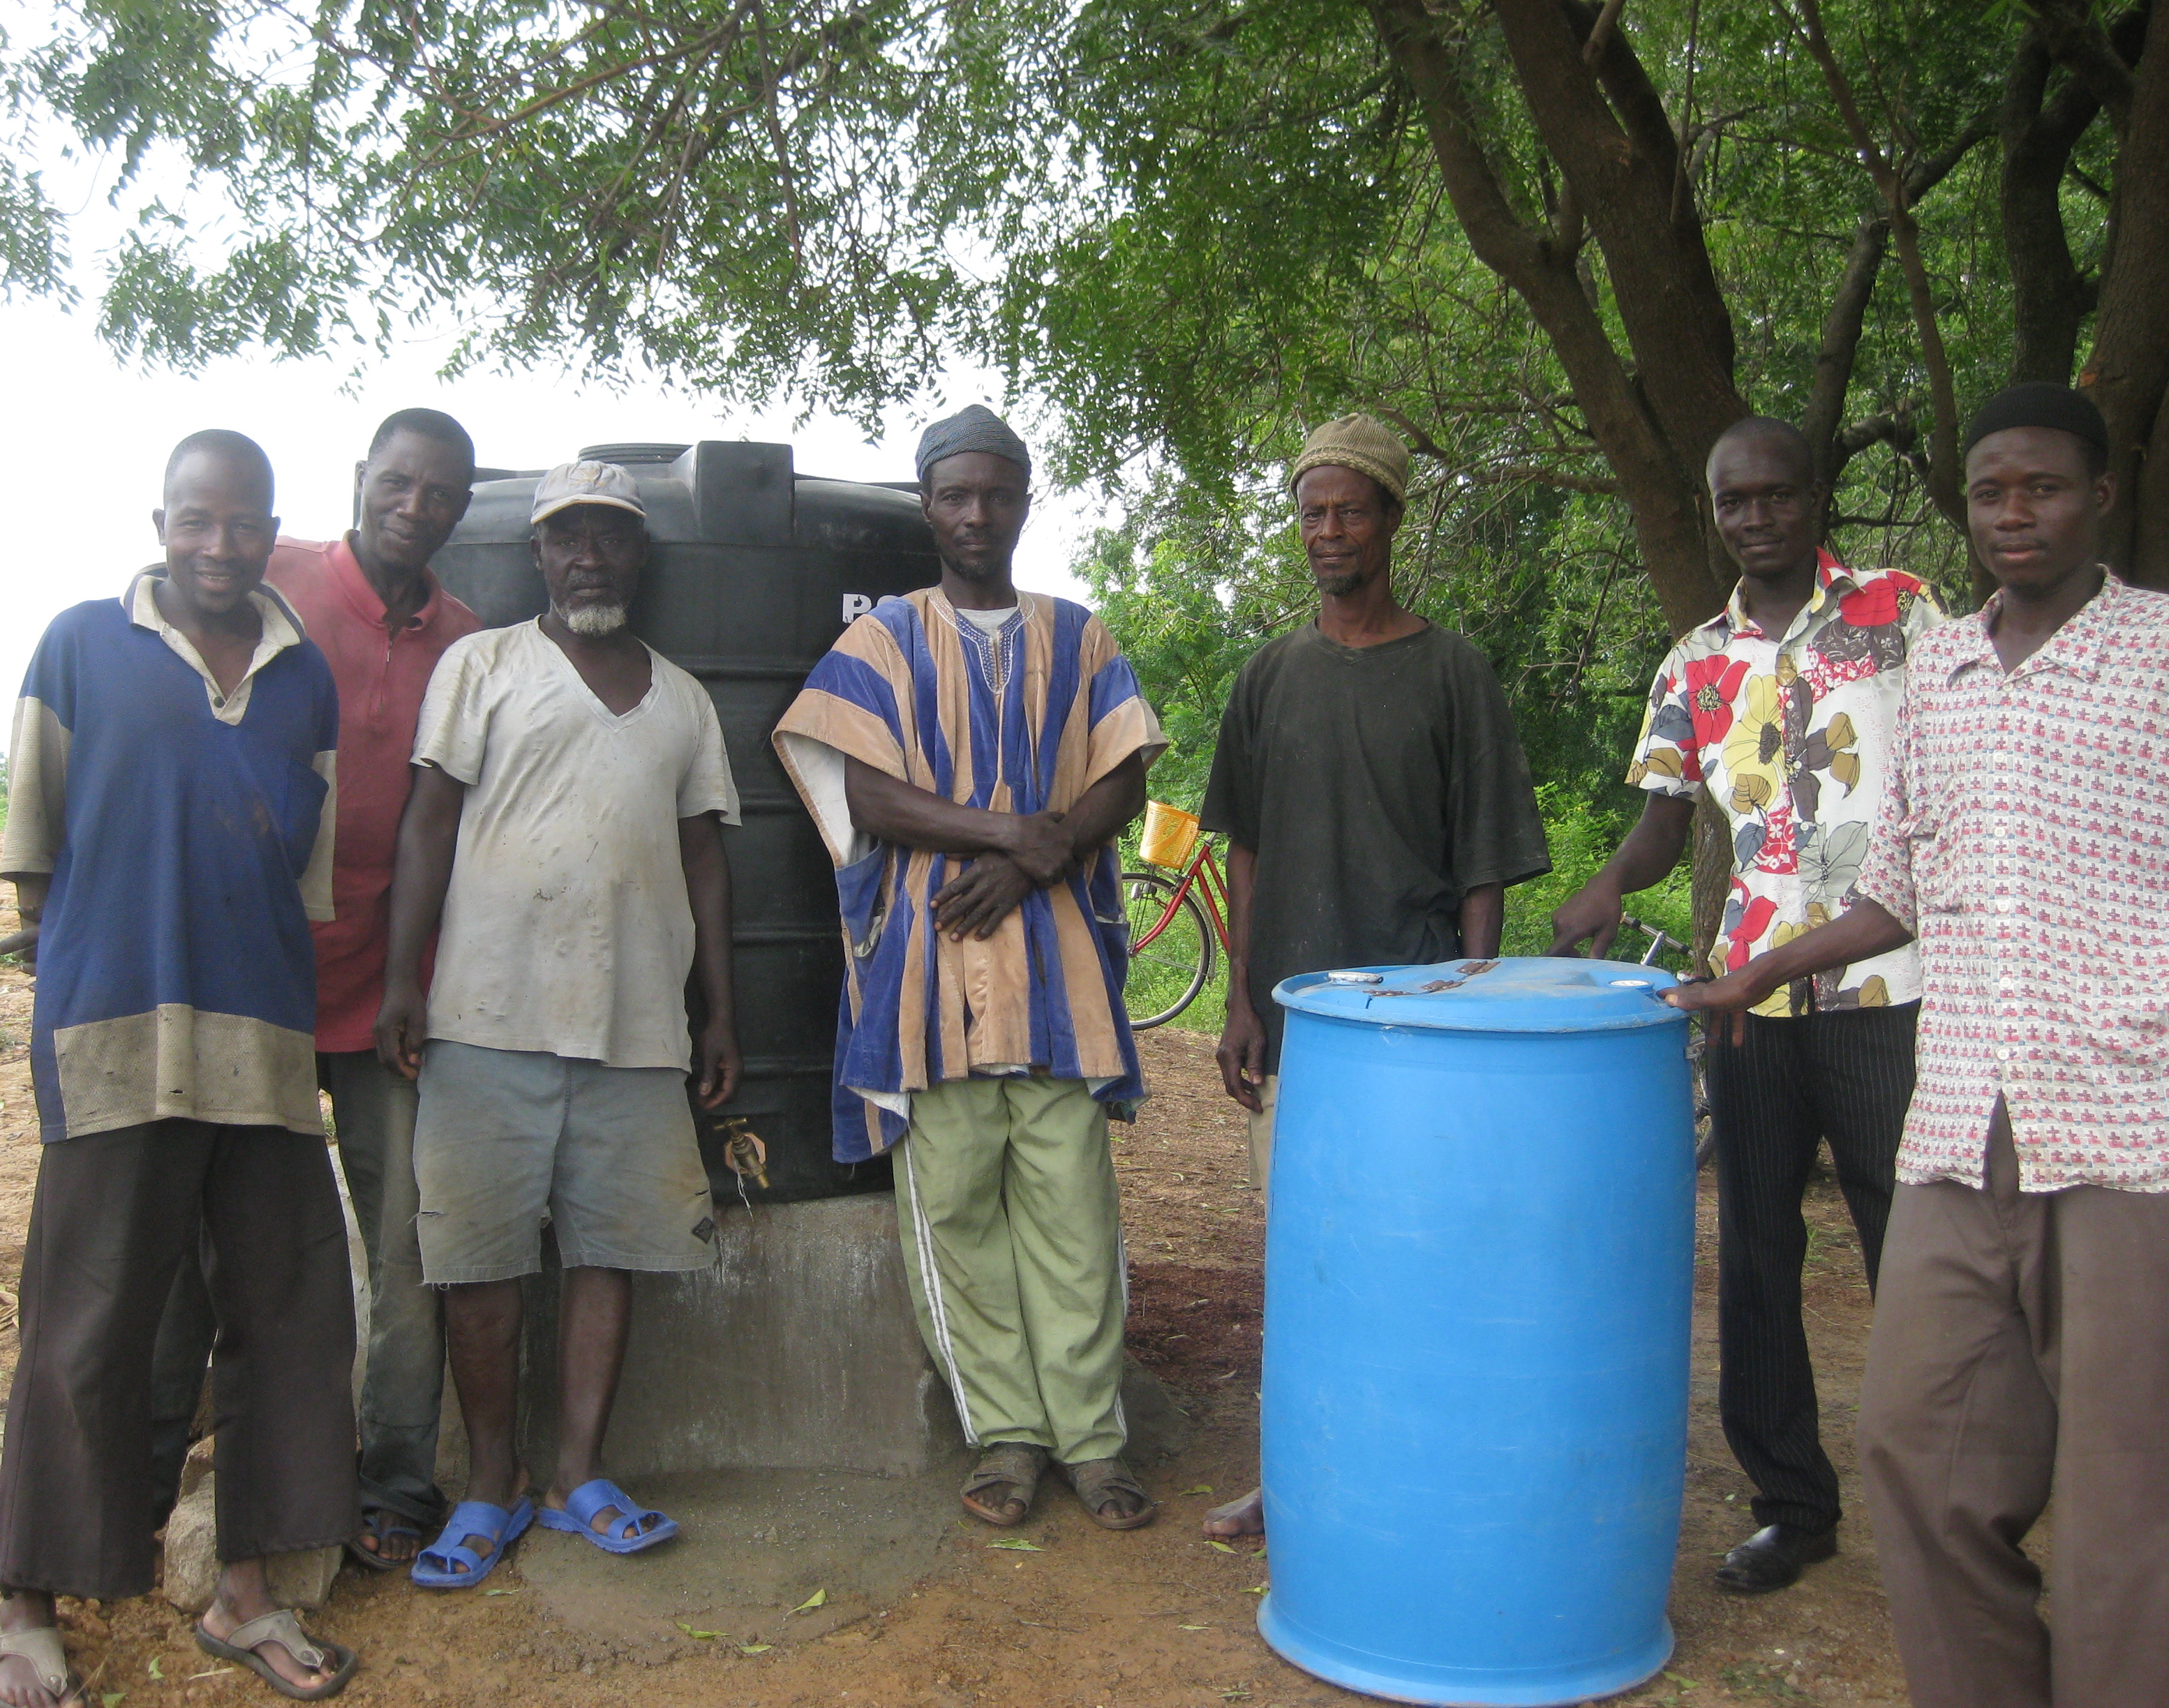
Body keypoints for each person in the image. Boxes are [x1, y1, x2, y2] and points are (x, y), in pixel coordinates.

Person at [1671, 382, 2169, 1707]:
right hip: (1962, 1118)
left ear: (2101, 497)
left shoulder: (2152, 656)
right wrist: (1755, 974)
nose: (2016, 514)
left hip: (2125, 1129)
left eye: (2045, 488)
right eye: (1993, 492)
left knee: (2127, 1498)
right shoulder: (1941, 672)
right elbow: (1893, 883)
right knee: (1919, 1453)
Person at [0, 431, 359, 1706]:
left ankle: (247, 1595)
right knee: (85, 1320)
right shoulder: (80, 647)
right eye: (195, 520)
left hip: (257, 1046)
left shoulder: (306, 679)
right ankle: (28, 1602)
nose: (218, 545)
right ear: (161, 522)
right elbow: (34, 859)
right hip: (116, 1041)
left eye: (241, 524)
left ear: (269, 531)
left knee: (289, 1319)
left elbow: (298, 882)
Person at [1551, 416, 1944, 1592]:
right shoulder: (1696, 659)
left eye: (1777, 494)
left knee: (1912, 1254)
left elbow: (1964, 764)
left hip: (1890, 985)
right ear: (1715, 511)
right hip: (1746, 998)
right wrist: (1613, 883)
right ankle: (1794, 1504)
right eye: (1735, 501)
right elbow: (1668, 822)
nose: (1757, 516)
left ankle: (1944, 1510)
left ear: (1816, 496)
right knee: (1759, 1252)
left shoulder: (1904, 612)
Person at [773, 405, 1169, 1532]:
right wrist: (1015, 840)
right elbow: (862, 791)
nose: (976, 514)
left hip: (1058, 989)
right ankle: (1005, 1439)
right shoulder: (885, 640)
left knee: (1075, 1219)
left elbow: (1123, 775)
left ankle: (1093, 1442)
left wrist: (1053, 847)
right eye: (955, 495)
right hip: (928, 983)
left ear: (1024, 503)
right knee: (955, 1220)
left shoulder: (1078, 634)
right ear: (928, 506)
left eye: (997, 493)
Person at [374, 458, 742, 1587]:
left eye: (611, 537)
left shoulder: (682, 696)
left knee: (611, 1250)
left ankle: (580, 1474)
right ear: (538, 553)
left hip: (636, 1025)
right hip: (486, 1015)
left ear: (639, 556)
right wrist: (402, 980)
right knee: (481, 1263)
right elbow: (428, 826)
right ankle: (491, 1486)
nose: (589, 554)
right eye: (567, 537)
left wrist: (718, 1010)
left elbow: (705, 858)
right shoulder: (480, 665)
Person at [1200, 412, 1551, 1540]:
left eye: (1352, 509)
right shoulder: (1268, 678)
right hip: (1303, 1023)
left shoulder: (1453, 673)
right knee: (1304, 1257)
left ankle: (1417, 1472)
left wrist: (1475, 1005)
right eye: (1312, 512)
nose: (1329, 531)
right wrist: (1242, 998)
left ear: (1394, 519)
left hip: (1417, 1029)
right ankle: (1295, 1473)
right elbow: (1244, 851)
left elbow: (1485, 861)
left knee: (1422, 1254)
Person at [147, 407, 484, 1571]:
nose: (415, 505)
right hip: (253, 978)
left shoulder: (471, 640)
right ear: (358, 480)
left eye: (440, 494)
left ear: (460, 509)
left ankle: (394, 1481)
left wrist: (419, 983)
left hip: (398, 994)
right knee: (223, 1236)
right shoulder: (269, 578)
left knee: (407, 1243)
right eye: (397, 482)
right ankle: (184, 1456)